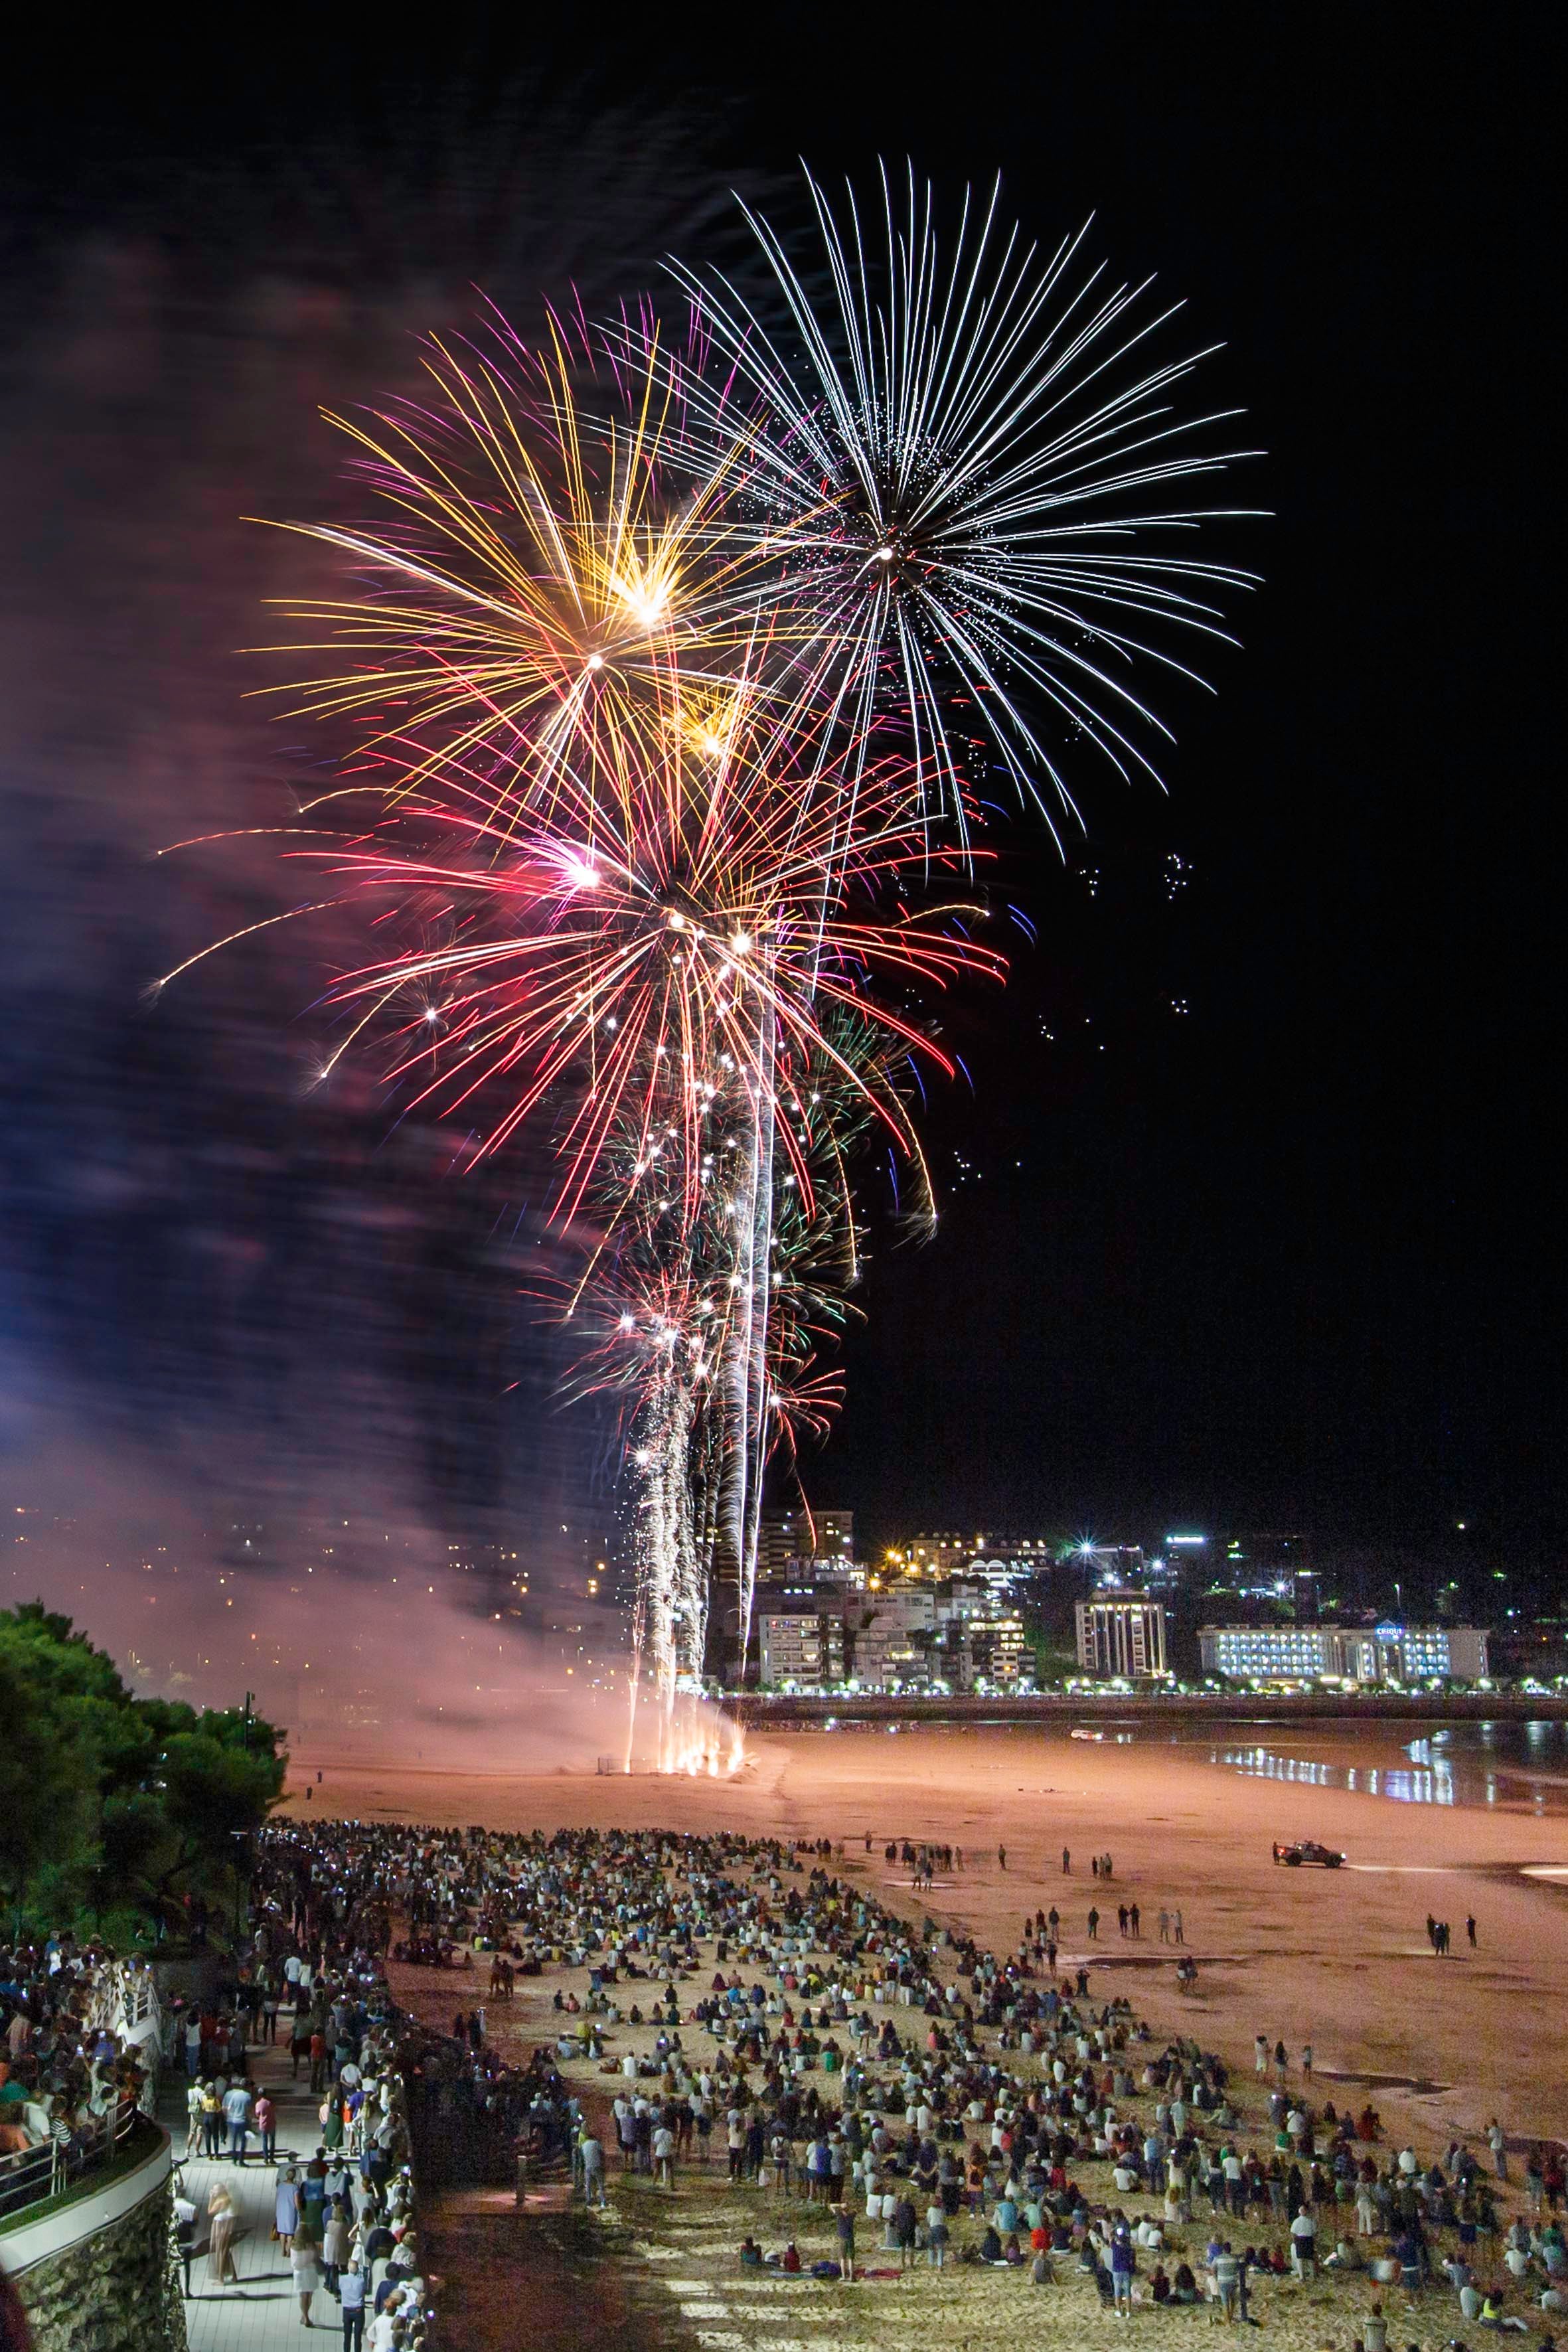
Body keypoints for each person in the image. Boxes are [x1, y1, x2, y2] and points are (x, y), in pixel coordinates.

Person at [207, 2180, 240, 2285]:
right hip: (225, 2225)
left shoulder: (221, 2201)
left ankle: (221, 2279)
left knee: (220, 2252)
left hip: (221, 2226)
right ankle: (234, 2276)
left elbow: (210, 2212)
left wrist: (211, 2198)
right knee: (226, 2251)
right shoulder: (228, 2198)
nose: (213, 2191)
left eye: (215, 2190)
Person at [292, 2231, 323, 2327]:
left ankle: (304, 2316)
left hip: (300, 2273)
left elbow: (294, 2263)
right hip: (311, 2272)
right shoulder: (312, 2246)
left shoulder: (294, 2248)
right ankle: (306, 2316)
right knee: (309, 2295)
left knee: (303, 2296)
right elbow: (317, 2258)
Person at [339, 2262, 368, 2352]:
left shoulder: (342, 2279)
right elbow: (364, 2291)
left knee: (347, 2336)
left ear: (348, 2268)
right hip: (358, 2310)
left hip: (347, 2310)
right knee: (358, 2337)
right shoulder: (361, 2280)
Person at [275, 2166, 301, 2254]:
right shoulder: (295, 2188)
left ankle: (282, 2250)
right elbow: (296, 2201)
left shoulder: (280, 2185)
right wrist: (299, 2210)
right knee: (290, 2232)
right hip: (290, 2211)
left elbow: (277, 2198)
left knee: (282, 2231)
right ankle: (288, 2251)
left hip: (281, 2210)